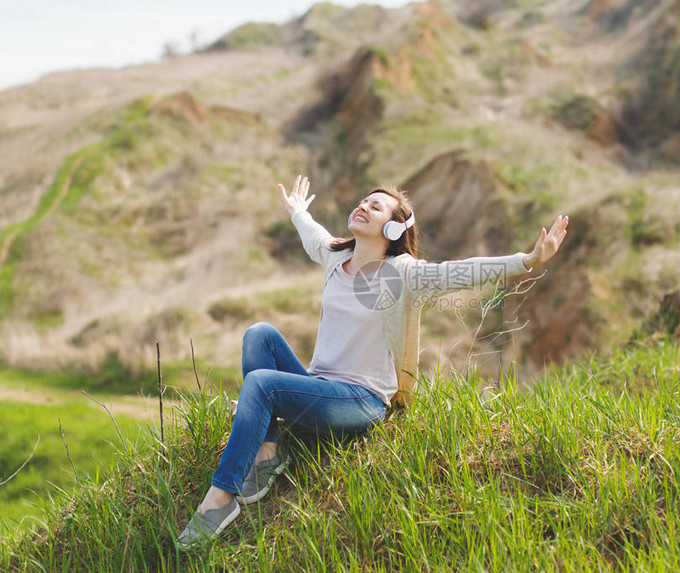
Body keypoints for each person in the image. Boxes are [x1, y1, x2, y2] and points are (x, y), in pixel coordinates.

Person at [177, 175, 569, 548]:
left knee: (262, 384)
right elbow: (313, 234)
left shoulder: (403, 274)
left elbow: (460, 272)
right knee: (259, 334)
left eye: (376, 206)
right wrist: (297, 211)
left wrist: (528, 259)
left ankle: (219, 499)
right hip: (318, 388)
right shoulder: (337, 257)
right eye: (364, 200)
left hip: (359, 401)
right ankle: (267, 453)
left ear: (394, 230)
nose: (364, 205)